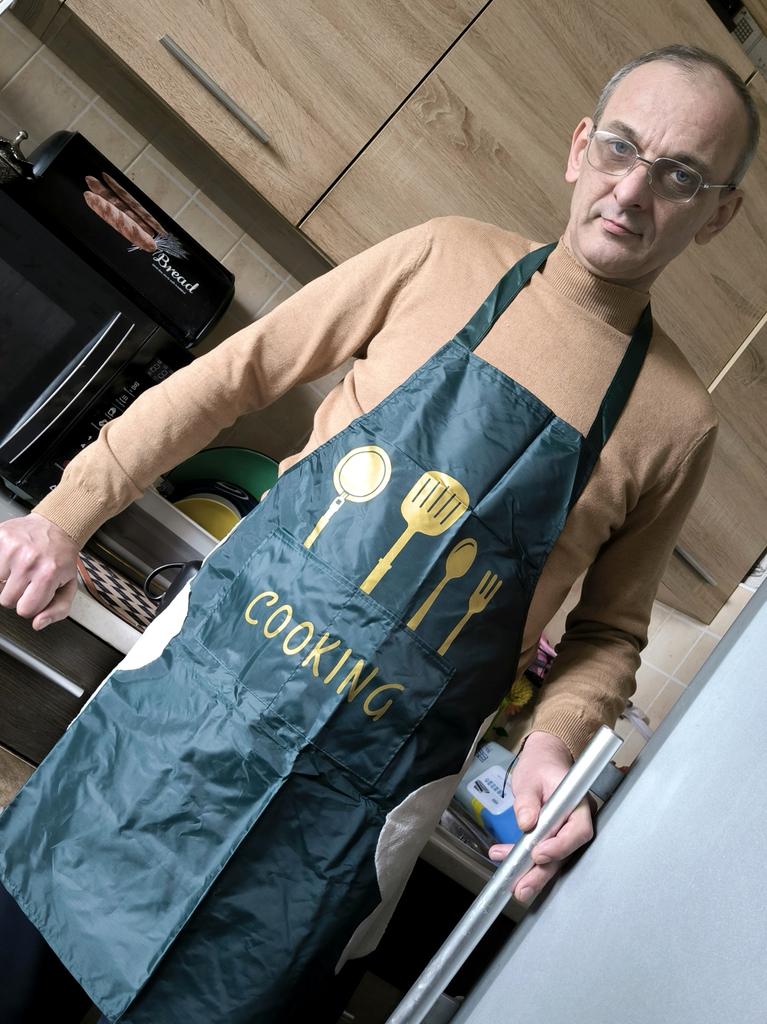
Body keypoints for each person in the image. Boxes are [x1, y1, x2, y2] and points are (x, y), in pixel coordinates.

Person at [0, 44, 758, 1024]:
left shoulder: (675, 422)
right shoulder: (442, 254)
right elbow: (233, 376)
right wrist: (65, 514)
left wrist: (553, 743)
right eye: (620, 147)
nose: (632, 189)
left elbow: (608, 634)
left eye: (680, 175)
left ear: (717, 212)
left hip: (347, 813)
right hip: (180, 719)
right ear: (580, 147)